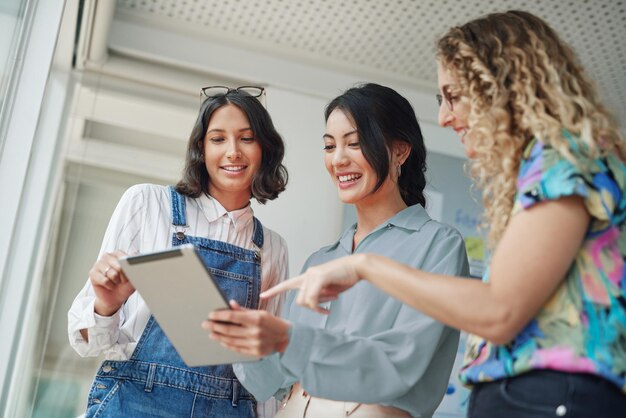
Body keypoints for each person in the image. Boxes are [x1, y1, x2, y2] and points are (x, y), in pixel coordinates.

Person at [261, 10, 626, 418]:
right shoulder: (548, 172)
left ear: (502, 86)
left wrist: (365, 266)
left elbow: (498, 310)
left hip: (552, 395)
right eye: (441, 99)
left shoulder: (564, 161)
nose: (444, 117)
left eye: (454, 96)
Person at [205, 83, 470, 417]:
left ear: (400, 151)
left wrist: (289, 339)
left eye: (355, 143)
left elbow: (400, 364)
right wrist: (244, 339)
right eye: (330, 146)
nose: (338, 159)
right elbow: (274, 381)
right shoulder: (322, 260)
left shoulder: (437, 245)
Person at [67, 86, 289, 418]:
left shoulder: (272, 247)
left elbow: (269, 383)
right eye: (217, 139)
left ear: (265, 149)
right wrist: (107, 305)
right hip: (135, 402)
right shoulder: (146, 204)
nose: (232, 152)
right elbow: (87, 342)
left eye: (246, 138)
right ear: (201, 148)